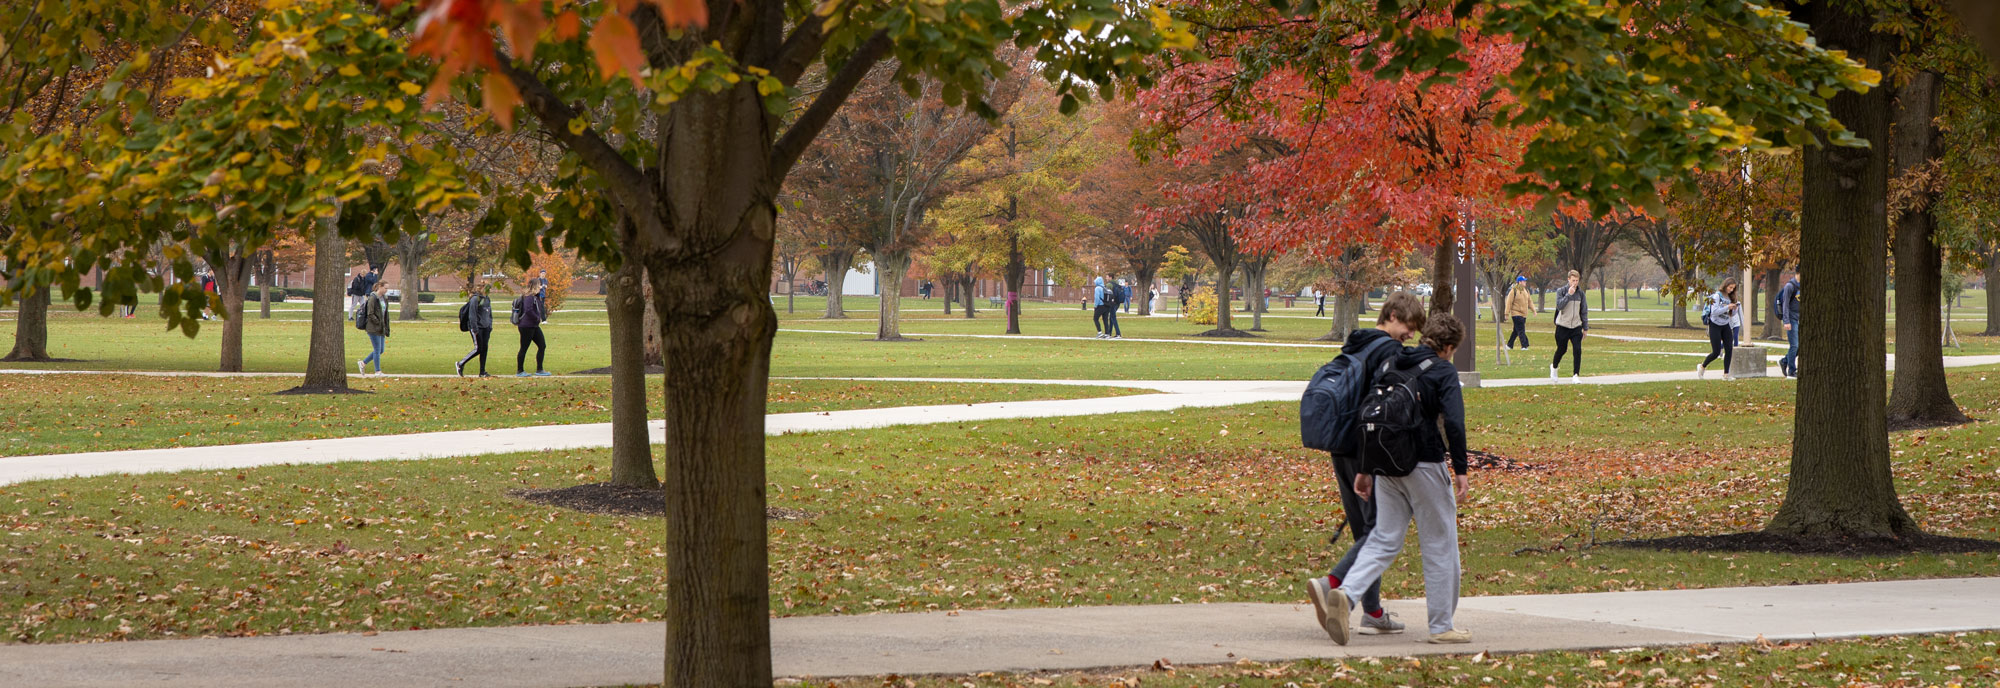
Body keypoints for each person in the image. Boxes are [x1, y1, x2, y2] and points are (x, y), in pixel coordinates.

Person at [1319, 311, 1473, 646]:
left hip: (1385, 465)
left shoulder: (1393, 363)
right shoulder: (1443, 370)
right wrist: (1460, 469)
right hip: (1426, 465)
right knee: (1439, 543)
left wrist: (1365, 468)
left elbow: (1370, 413)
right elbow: (1456, 424)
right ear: (1448, 347)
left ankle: (1345, 596)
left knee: (1383, 539)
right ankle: (1441, 626)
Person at [1304, 291, 1427, 642]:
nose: (1411, 335)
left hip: (1339, 445)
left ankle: (1372, 613)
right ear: (1390, 316)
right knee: (1378, 532)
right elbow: (1379, 410)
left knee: (1365, 531)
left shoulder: (1355, 344)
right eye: (1408, 325)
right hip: (1364, 450)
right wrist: (1371, 465)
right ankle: (1331, 583)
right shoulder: (1387, 352)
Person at [1698, 277, 1743, 379]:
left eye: (1733, 288)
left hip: (1725, 325)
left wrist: (1735, 308)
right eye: (1730, 287)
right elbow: (1714, 312)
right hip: (1715, 325)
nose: (1731, 290)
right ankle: (1702, 366)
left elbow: (1731, 314)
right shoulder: (1717, 296)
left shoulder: (1731, 297)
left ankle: (1726, 374)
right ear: (1725, 285)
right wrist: (1727, 307)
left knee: (1729, 349)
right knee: (1716, 352)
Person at [1549, 270, 1589, 382]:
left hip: (1576, 326)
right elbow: (1559, 306)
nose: (1575, 283)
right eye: (1573, 280)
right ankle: (1554, 367)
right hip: (1563, 325)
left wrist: (1585, 327)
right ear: (1568, 280)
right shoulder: (1561, 291)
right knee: (1562, 349)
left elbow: (1584, 311)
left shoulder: (1581, 294)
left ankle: (1576, 375)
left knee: (1577, 350)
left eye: (1577, 281)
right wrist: (1569, 294)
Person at [513, 277, 551, 377]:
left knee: (542, 345)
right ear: (534, 286)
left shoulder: (536, 297)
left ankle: (540, 369)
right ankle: (520, 371)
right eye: (538, 285)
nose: (540, 287)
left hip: (534, 326)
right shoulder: (529, 297)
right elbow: (528, 310)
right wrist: (537, 318)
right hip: (526, 326)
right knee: (524, 348)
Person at [457, 280, 495, 377]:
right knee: (479, 348)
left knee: (484, 349)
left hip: (486, 327)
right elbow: (472, 315)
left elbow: (489, 313)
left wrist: (490, 325)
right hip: (477, 328)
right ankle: (461, 364)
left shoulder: (487, 299)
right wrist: (475, 329)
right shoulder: (475, 299)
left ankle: (482, 372)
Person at [356, 280, 391, 376]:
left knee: (381, 350)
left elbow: (385, 314)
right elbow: (370, 313)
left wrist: (385, 325)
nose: (386, 290)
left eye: (387, 288)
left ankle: (363, 363)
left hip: (381, 327)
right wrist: (378, 322)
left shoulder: (384, 298)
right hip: (373, 327)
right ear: (380, 286)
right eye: (385, 288)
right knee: (377, 349)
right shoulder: (373, 298)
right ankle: (377, 371)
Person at [1776, 272, 1801, 378]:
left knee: (1799, 346)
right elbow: (1785, 304)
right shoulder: (1790, 286)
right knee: (1794, 345)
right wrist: (1786, 321)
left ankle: (1784, 360)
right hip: (1791, 319)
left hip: (1799, 318)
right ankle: (1792, 370)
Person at [1505, 276, 1533, 349]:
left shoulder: (1526, 291)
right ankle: (1524, 345)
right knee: (1521, 330)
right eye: (1524, 281)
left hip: (1523, 314)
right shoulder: (1513, 291)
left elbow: (1530, 301)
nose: (1525, 282)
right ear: (1519, 282)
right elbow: (1509, 303)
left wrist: (1533, 310)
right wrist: (1506, 313)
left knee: (1516, 331)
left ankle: (1509, 345)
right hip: (1516, 314)